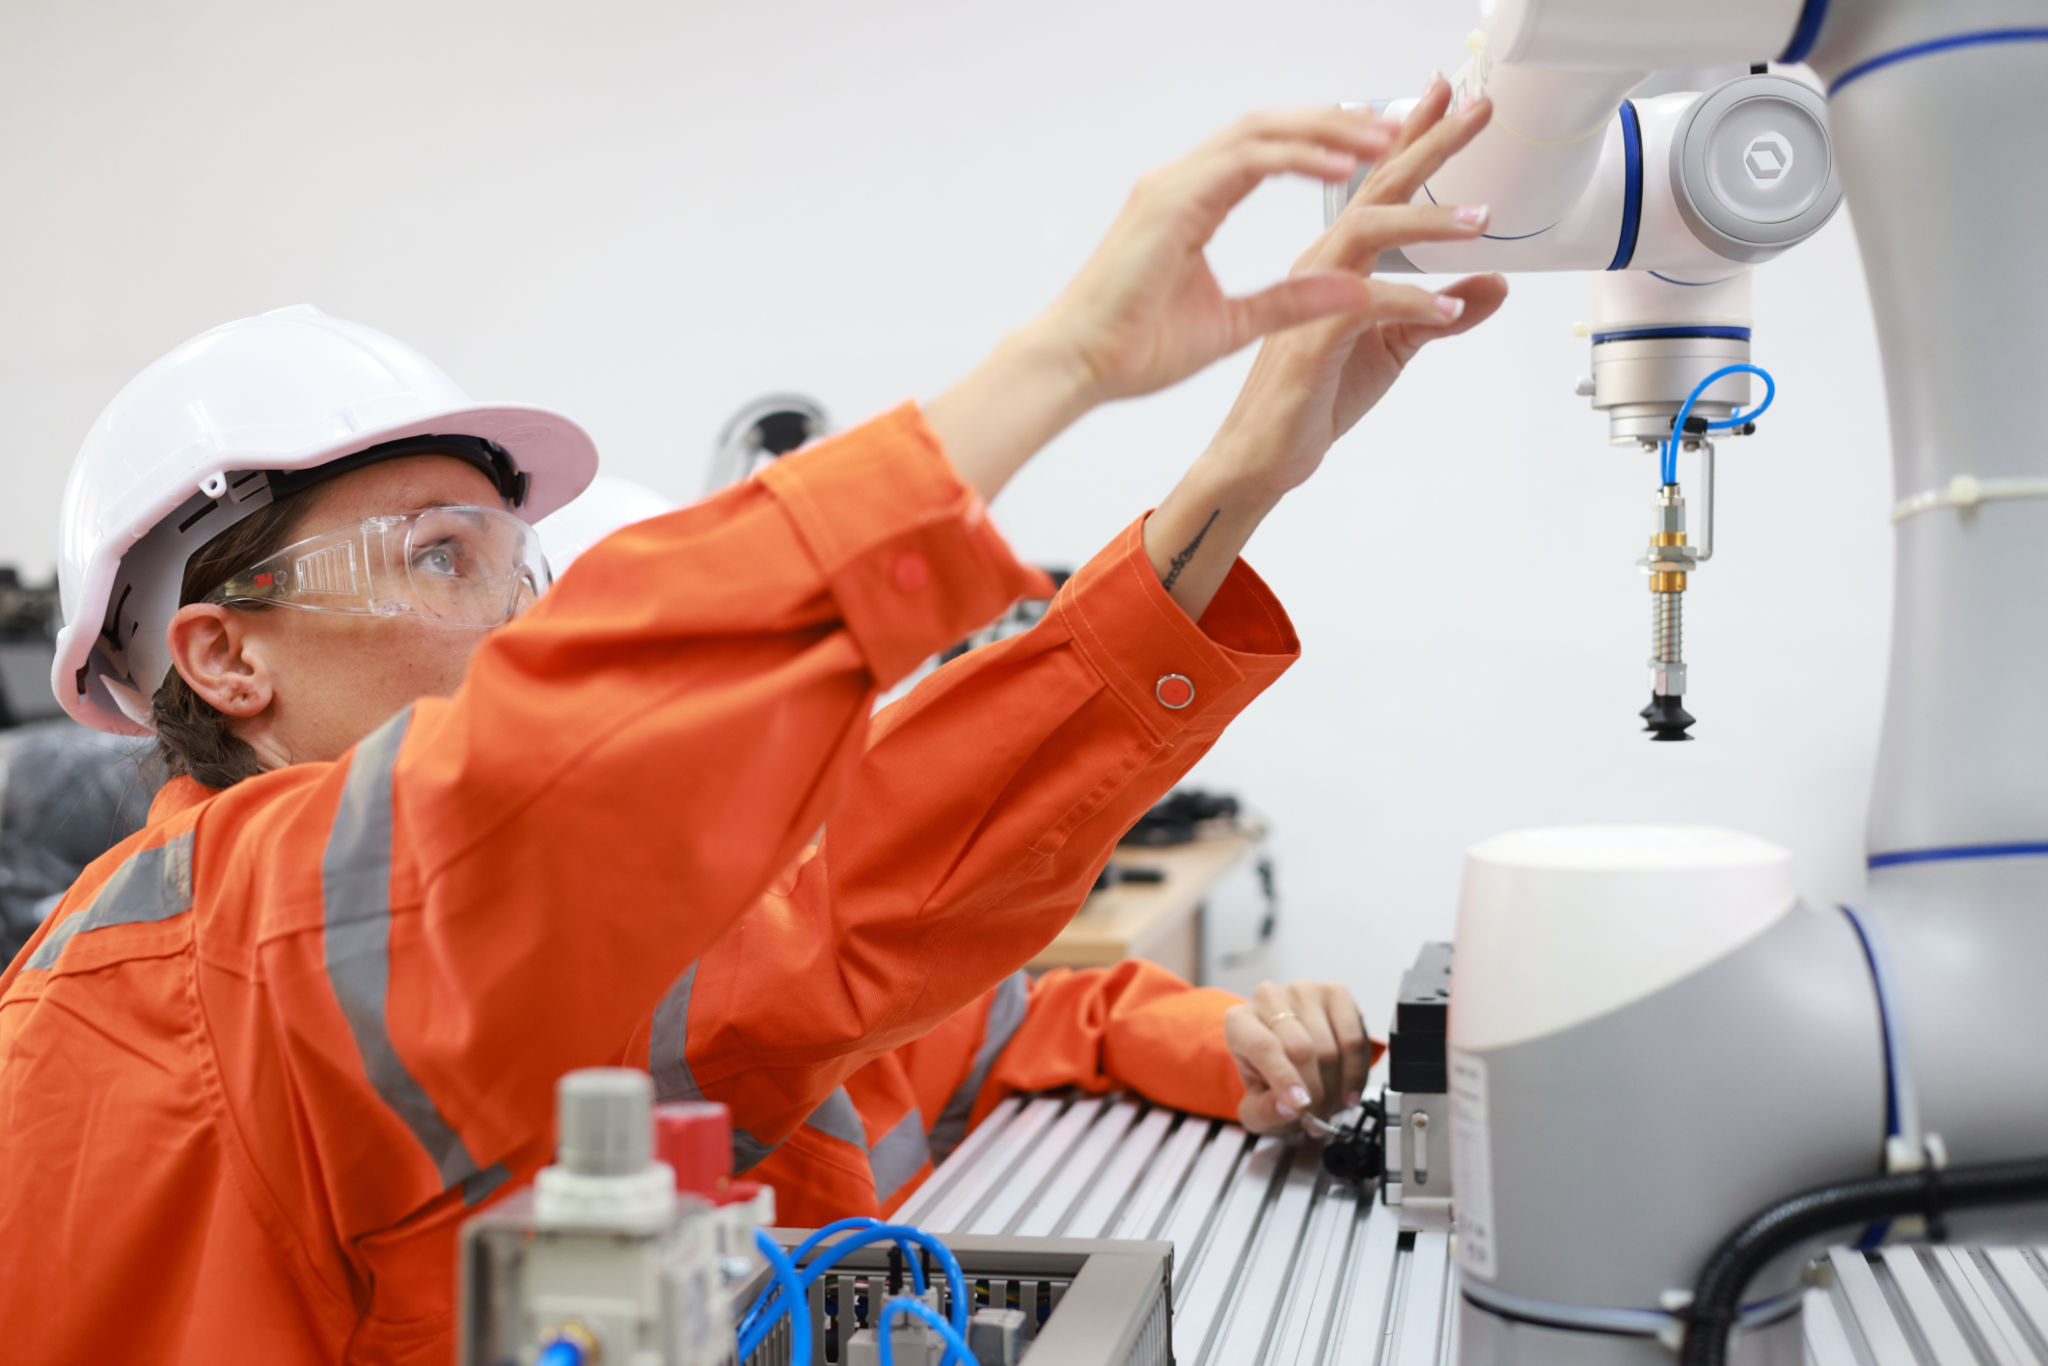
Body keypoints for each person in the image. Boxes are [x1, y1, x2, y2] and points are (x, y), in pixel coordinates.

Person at [0, 91, 1498, 1366]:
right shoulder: (202, 965)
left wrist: (1238, 480)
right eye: (441, 556)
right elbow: (559, 761)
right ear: (222, 654)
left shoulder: (472, 961)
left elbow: (855, 890)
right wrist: (1064, 368)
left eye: (515, 566)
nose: (516, 618)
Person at [618, 80, 1507, 1223]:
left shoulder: (757, 915)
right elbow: (867, 910)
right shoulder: (620, 995)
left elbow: (1028, 1016)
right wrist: (1217, 481)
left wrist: (1230, 1038)